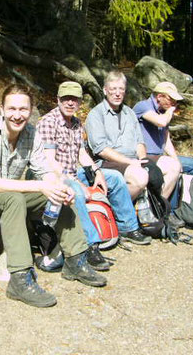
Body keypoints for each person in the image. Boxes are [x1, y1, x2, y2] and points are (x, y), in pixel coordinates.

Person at [0, 84, 106, 309]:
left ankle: (76, 260)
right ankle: (21, 278)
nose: (17, 115)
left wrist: (60, 185)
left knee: (59, 191)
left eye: (23, 109)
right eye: (11, 108)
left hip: (12, 194)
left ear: (31, 110)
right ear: (1, 109)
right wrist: (41, 186)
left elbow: (45, 171)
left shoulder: (31, 133)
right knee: (15, 198)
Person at [37, 81, 151, 268]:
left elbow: (82, 154)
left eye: (75, 99)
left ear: (80, 102)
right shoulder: (49, 122)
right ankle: (89, 245)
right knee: (78, 192)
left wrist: (97, 172)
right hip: (54, 177)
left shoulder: (75, 123)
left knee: (114, 178)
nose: (70, 103)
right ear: (58, 99)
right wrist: (76, 181)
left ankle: (128, 226)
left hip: (73, 171)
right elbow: (50, 162)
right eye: (66, 99)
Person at [85, 71, 181, 205]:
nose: (117, 93)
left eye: (121, 89)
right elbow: (102, 150)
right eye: (113, 89)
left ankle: (157, 208)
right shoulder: (96, 114)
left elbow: (140, 142)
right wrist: (131, 162)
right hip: (108, 162)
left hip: (134, 159)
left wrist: (143, 159)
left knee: (173, 166)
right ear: (105, 90)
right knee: (140, 177)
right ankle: (119, 210)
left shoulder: (130, 113)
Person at [133, 81, 193, 219]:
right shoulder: (143, 106)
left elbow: (166, 140)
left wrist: (176, 160)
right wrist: (170, 111)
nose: (174, 103)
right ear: (159, 96)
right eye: (171, 99)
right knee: (173, 168)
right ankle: (159, 207)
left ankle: (183, 208)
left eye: (176, 100)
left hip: (159, 156)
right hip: (145, 156)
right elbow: (161, 122)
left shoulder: (163, 112)